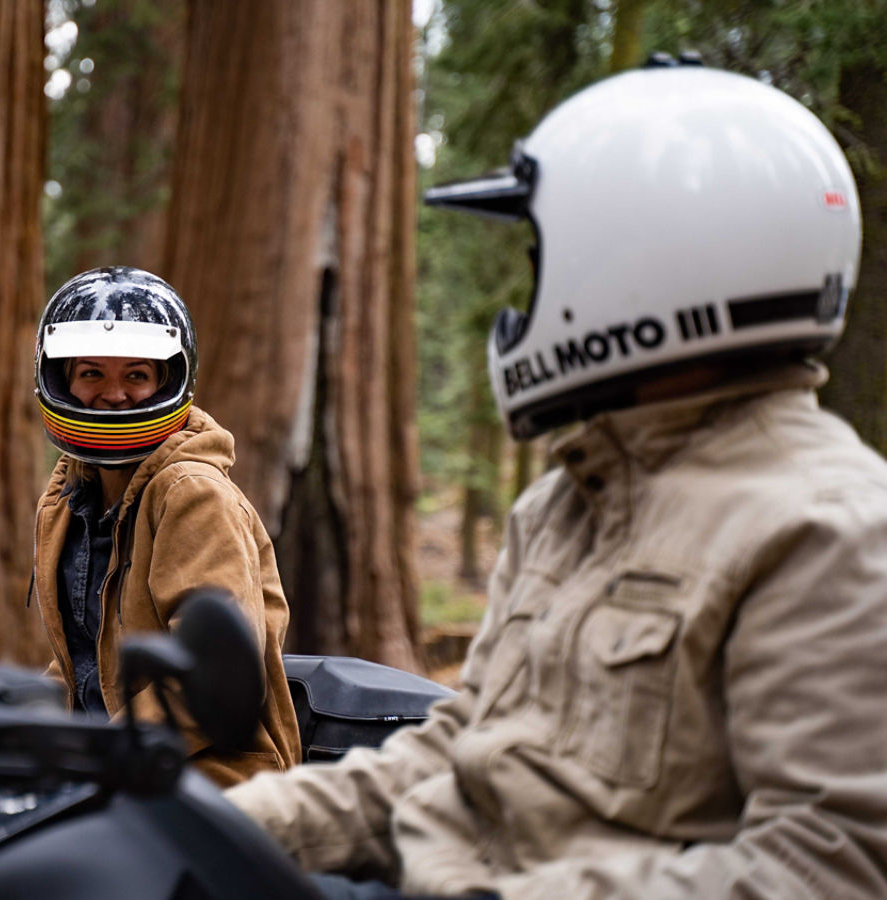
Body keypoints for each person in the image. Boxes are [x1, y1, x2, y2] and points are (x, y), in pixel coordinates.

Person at [224, 59, 887, 899]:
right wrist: (218, 823)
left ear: (639, 269)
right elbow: (457, 753)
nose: (523, 305)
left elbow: (832, 869)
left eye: (542, 261)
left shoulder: (826, 527)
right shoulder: (571, 501)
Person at [30, 265, 301, 787]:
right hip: (114, 772)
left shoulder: (190, 494)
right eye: (92, 374)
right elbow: (80, 666)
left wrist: (97, 758)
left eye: (135, 375)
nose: (114, 394)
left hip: (205, 780)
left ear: (167, 381)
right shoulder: (69, 494)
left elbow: (212, 677)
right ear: (60, 379)